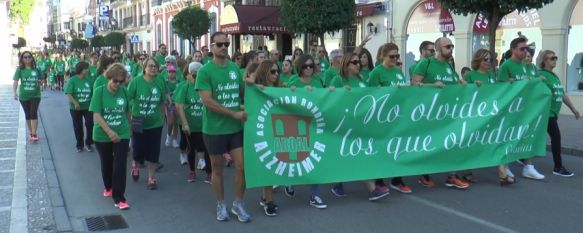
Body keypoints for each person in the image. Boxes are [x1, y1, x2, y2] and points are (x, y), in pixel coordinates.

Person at [195, 32, 250, 222]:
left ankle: (238, 203)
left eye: (226, 43)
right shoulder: (205, 71)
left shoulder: (235, 68)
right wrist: (233, 113)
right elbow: (207, 101)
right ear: (212, 47)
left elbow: (244, 94)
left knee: (242, 167)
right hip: (214, 129)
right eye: (220, 44)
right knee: (217, 169)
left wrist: (253, 85)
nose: (224, 47)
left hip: (235, 128)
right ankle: (221, 204)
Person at [412, 37, 470, 190]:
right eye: (447, 47)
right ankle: (424, 174)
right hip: (429, 113)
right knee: (429, 143)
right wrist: (432, 85)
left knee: (452, 142)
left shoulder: (450, 66)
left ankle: (452, 176)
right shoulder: (427, 63)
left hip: (448, 113)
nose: (451, 49)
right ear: (438, 49)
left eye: (452, 46)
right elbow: (414, 84)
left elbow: (454, 83)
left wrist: (461, 83)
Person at [497, 37, 545, 180]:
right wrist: (510, 83)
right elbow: (500, 89)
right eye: (522, 49)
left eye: (526, 49)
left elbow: (533, 86)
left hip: (527, 108)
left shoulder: (529, 67)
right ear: (513, 50)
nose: (525, 51)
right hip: (512, 110)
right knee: (509, 137)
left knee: (528, 135)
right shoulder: (506, 66)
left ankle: (528, 167)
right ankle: (505, 166)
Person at [367, 43, 412, 193]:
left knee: (399, 147)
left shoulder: (398, 72)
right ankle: (379, 180)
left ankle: (397, 179)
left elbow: (403, 91)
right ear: (382, 57)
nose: (395, 59)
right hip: (382, 117)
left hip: (398, 116)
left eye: (397, 56)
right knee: (382, 149)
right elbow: (371, 96)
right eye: (391, 56)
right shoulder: (376, 72)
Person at [286, 54, 328, 209]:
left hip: (315, 124)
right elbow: (286, 98)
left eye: (311, 66)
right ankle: (289, 181)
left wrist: (331, 91)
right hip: (296, 124)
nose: (309, 69)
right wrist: (295, 90)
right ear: (300, 68)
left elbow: (325, 100)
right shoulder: (293, 81)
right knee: (295, 156)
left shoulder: (318, 81)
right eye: (305, 66)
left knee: (313, 159)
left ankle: (314, 195)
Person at [90, 63, 132, 210]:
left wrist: (129, 129)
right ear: (109, 77)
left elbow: (127, 112)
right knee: (107, 163)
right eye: (115, 81)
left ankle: (119, 197)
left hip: (122, 132)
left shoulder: (125, 92)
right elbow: (96, 114)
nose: (117, 84)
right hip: (102, 134)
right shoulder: (99, 91)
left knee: (120, 164)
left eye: (120, 82)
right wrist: (109, 132)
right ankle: (108, 186)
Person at [537, 50, 581, 177]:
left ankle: (522, 158)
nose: (555, 60)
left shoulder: (554, 77)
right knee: (556, 138)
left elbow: (561, 94)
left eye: (556, 58)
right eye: (552, 58)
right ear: (544, 60)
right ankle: (558, 167)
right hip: (546, 113)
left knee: (533, 136)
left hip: (552, 114)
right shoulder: (540, 75)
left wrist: (573, 109)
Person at [463, 49, 501, 184]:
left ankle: (502, 170)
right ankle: (467, 170)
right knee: (471, 142)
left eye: (491, 59)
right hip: (474, 114)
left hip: (490, 113)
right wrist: (473, 86)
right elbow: (463, 92)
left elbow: (497, 91)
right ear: (478, 60)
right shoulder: (470, 75)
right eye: (486, 59)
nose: (489, 62)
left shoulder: (491, 75)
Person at [128, 58, 167, 189]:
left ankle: (151, 178)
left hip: (155, 123)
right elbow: (128, 98)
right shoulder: (136, 82)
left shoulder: (160, 82)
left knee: (153, 152)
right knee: (138, 148)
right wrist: (129, 116)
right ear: (144, 68)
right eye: (150, 66)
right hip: (138, 121)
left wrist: (162, 117)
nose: (153, 68)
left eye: (155, 66)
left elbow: (162, 102)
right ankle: (135, 164)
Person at [250, 60, 281, 216]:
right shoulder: (254, 89)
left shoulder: (280, 89)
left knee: (272, 165)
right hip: (261, 131)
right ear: (264, 72)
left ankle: (264, 196)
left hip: (276, 132)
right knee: (268, 165)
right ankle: (269, 200)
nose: (276, 75)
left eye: (277, 71)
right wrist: (252, 85)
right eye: (272, 71)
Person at [175, 62, 212, 184]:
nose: (195, 77)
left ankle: (209, 173)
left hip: (205, 125)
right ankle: (192, 171)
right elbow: (179, 106)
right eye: (194, 75)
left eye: (198, 75)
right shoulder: (184, 87)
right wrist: (185, 124)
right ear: (189, 74)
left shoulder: (205, 86)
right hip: (190, 125)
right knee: (191, 149)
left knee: (207, 149)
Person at [65, 61, 95, 152]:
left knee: (90, 124)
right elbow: (68, 93)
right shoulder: (72, 80)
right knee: (78, 126)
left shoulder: (89, 80)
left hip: (87, 106)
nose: (88, 70)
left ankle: (88, 143)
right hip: (75, 108)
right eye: (86, 68)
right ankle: (79, 144)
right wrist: (75, 103)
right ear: (81, 70)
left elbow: (93, 93)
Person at [13, 51, 42, 142]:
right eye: (25, 57)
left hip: (35, 95)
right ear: (22, 59)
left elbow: (41, 78)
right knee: (28, 114)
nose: (27, 59)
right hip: (24, 96)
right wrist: (14, 92)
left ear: (32, 58)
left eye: (29, 57)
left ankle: (34, 133)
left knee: (33, 113)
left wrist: (40, 82)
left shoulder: (37, 69)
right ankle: (31, 132)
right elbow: (16, 81)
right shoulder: (20, 70)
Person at [163, 64, 180, 149]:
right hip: (169, 104)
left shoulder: (179, 82)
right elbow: (165, 93)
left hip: (177, 103)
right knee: (170, 122)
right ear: (167, 72)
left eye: (173, 72)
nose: (172, 74)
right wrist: (169, 96)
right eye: (170, 72)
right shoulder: (165, 82)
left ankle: (174, 140)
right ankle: (168, 135)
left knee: (176, 122)